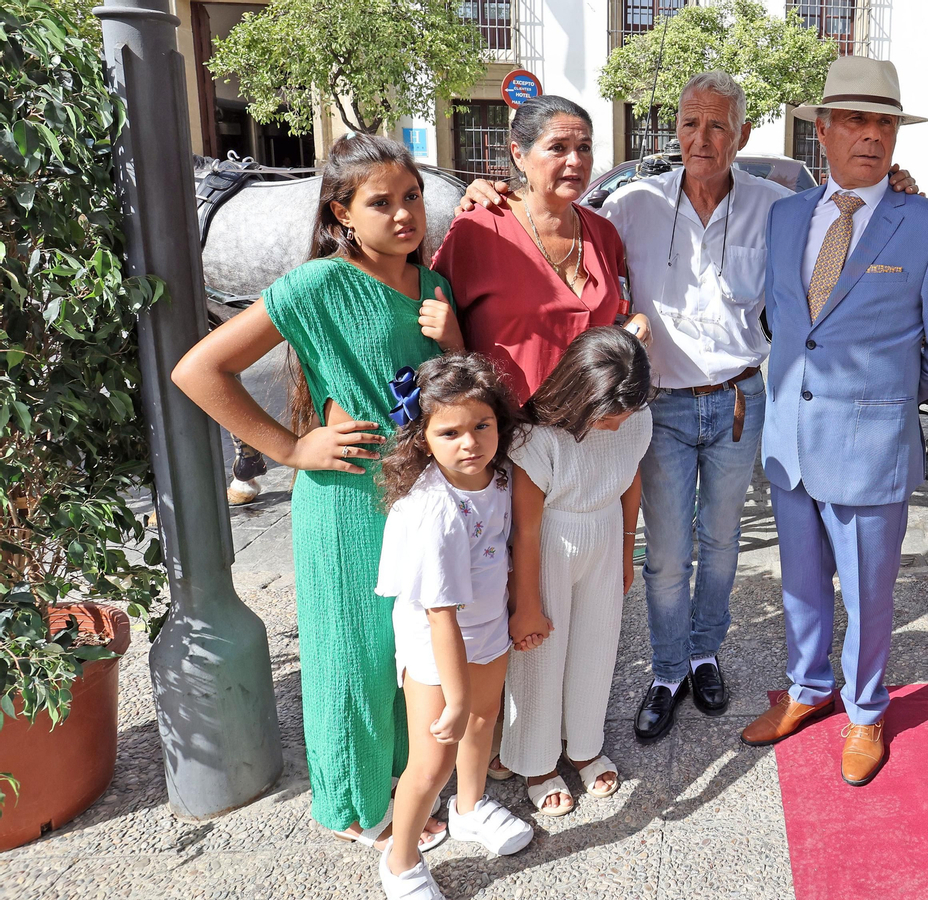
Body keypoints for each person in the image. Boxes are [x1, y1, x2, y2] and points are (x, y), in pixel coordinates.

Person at [455, 73, 922, 744]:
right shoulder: (632, 205)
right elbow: (561, 227)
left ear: (743, 135)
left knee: (724, 547)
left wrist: (895, 185)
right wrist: (490, 191)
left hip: (739, 401)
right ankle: (668, 669)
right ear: (675, 130)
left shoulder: (780, 208)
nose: (702, 139)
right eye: (690, 125)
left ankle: (705, 653)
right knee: (668, 556)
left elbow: (848, 214)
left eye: (718, 127)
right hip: (662, 410)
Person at [172, 133, 462, 849]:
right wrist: (291, 449)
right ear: (340, 214)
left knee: (403, 655)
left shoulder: (432, 287)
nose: (404, 214)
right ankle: (354, 808)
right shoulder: (318, 284)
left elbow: (454, 395)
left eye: (413, 198)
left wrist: (453, 338)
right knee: (351, 659)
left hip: (415, 502)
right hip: (344, 504)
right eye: (382, 202)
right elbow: (200, 370)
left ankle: (401, 781)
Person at [739, 56, 928, 786]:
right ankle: (809, 690)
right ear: (823, 130)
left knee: (869, 589)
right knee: (801, 582)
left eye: (883, 122)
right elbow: (783, 322)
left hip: (871, 446)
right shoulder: (785, 216)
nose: (870, 135)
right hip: (790, 443)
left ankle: (867, 711)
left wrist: (889, 397)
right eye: (854, 119)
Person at [374, 354, 534, 899]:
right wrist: (456, 698)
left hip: (486, 625)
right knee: (431, 757)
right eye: (450, 432)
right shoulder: (433, 511)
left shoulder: (501, 475)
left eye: (481, 425)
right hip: (436, 642)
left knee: (484, 720)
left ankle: (470, 808)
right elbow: (438, 614)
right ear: (422, 437)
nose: (470, 443)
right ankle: (400, 860)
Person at [500, 327, 653, 815]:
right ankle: (537, 761)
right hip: (548, 545)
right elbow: (524, 530)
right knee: (540, 654)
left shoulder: (635, 419)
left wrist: (628, 549)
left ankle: (585, 744)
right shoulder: (538, 438)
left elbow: (631, 481)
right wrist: (525, 604)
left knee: (597, 644)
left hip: (606, 536)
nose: (621, 422)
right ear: (581, 392)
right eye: (611, 413)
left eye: (628, 410)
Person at [431, 96, 650, 405]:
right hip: (509, 430)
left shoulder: (604, 234)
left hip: (595, 427)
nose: (575, 160)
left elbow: (615, 314)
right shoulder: (479, 229)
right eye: (558, 147)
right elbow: (436, 324)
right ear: (519, 155)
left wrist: (636, 323)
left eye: (584, 147)